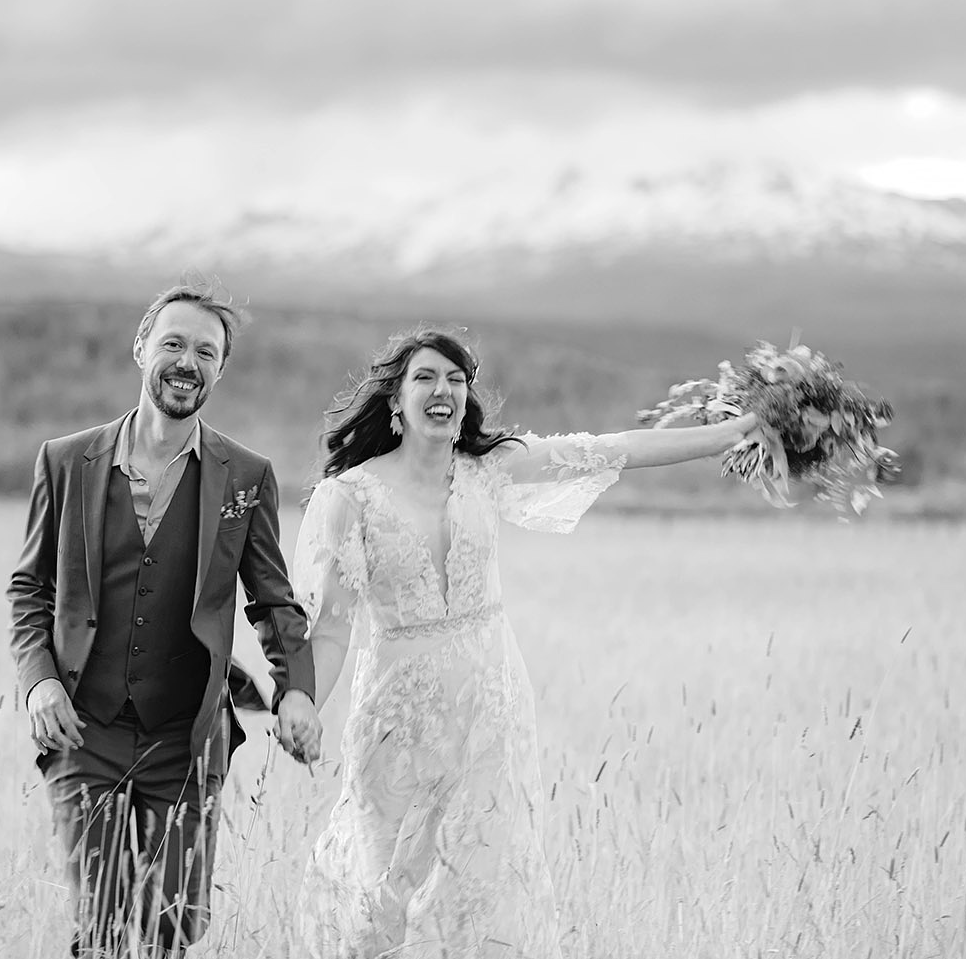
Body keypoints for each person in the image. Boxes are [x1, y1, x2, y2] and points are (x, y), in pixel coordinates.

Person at [293, 326, 758, 958]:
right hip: (398, 725)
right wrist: (299, 707)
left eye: (456, 380)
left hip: (491, 716)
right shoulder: (348, 498)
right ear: (395, 401)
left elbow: (615, 449)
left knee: (477, 893)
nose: (443, 391)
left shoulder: (489, 469)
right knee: (384, 898)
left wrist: (733, 434)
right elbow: (331, 629)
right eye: (425, 378)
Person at [6, 281, 324, 955]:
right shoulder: (65, 462)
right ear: (141, 348)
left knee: (174, 921)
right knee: (101, 917)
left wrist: (295, 686)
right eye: (174, 343)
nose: (188, 361)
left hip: (186, 734)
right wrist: (39, 680)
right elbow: (29, 586)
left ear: (219, 368)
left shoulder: (246, 475)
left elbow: (271, 597)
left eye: (206, 351)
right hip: (82, 724)